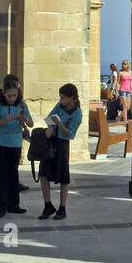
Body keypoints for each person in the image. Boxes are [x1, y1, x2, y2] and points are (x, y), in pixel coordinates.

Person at [0, 75, 33, 217]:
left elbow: (31, 123)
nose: (12, 98)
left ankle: (13, 205)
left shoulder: (21, 105)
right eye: (9, 96)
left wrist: (24, 119)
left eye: (14, 95)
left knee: (13, 174)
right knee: (0, 175)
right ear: (4, 93)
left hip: (14, 144)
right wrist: (5, 120)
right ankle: (0, 207)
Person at [38, 83, 82, 221]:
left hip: (62, 144)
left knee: (63, 176)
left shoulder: (77, 113)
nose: (61, 100)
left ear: (72, 98)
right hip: (51, 141)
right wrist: (51, 126)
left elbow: (70, 133)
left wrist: (59, 124)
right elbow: (51, 117)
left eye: (63, 97)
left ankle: (62, 208)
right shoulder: (60, 105)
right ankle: (47, 204)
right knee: (43, 172)